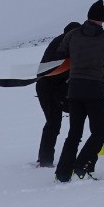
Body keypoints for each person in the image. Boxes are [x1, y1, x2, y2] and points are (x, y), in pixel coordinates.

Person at [55, 0, 104, 182]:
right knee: (99, 132)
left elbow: (61, 53)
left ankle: (62, 173)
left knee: (74, 133)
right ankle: (81, 166)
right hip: (94, 90)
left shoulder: (73, 34)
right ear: (102, 19)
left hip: (74, 89)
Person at [34, 20, 80, 167]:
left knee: (60, 120)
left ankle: (46, 157)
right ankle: (45, 161)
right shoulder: (61, 45)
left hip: (58, 87)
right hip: (46, 88)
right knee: (53, 122)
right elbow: (56, 71)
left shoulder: (67, 43)